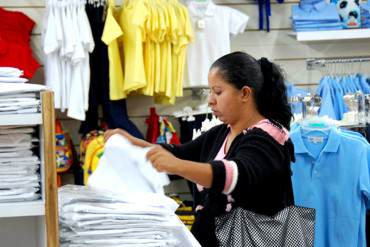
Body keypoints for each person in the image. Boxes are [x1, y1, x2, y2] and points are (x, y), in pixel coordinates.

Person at [104, 51, 295, 246]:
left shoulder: (269, 139)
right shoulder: (221, 134)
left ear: (245, 93)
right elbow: (177, 154)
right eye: (209, 92)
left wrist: (177, 165)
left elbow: (236, 174)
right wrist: (131, 143)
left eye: (218, 92)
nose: (210, 100)